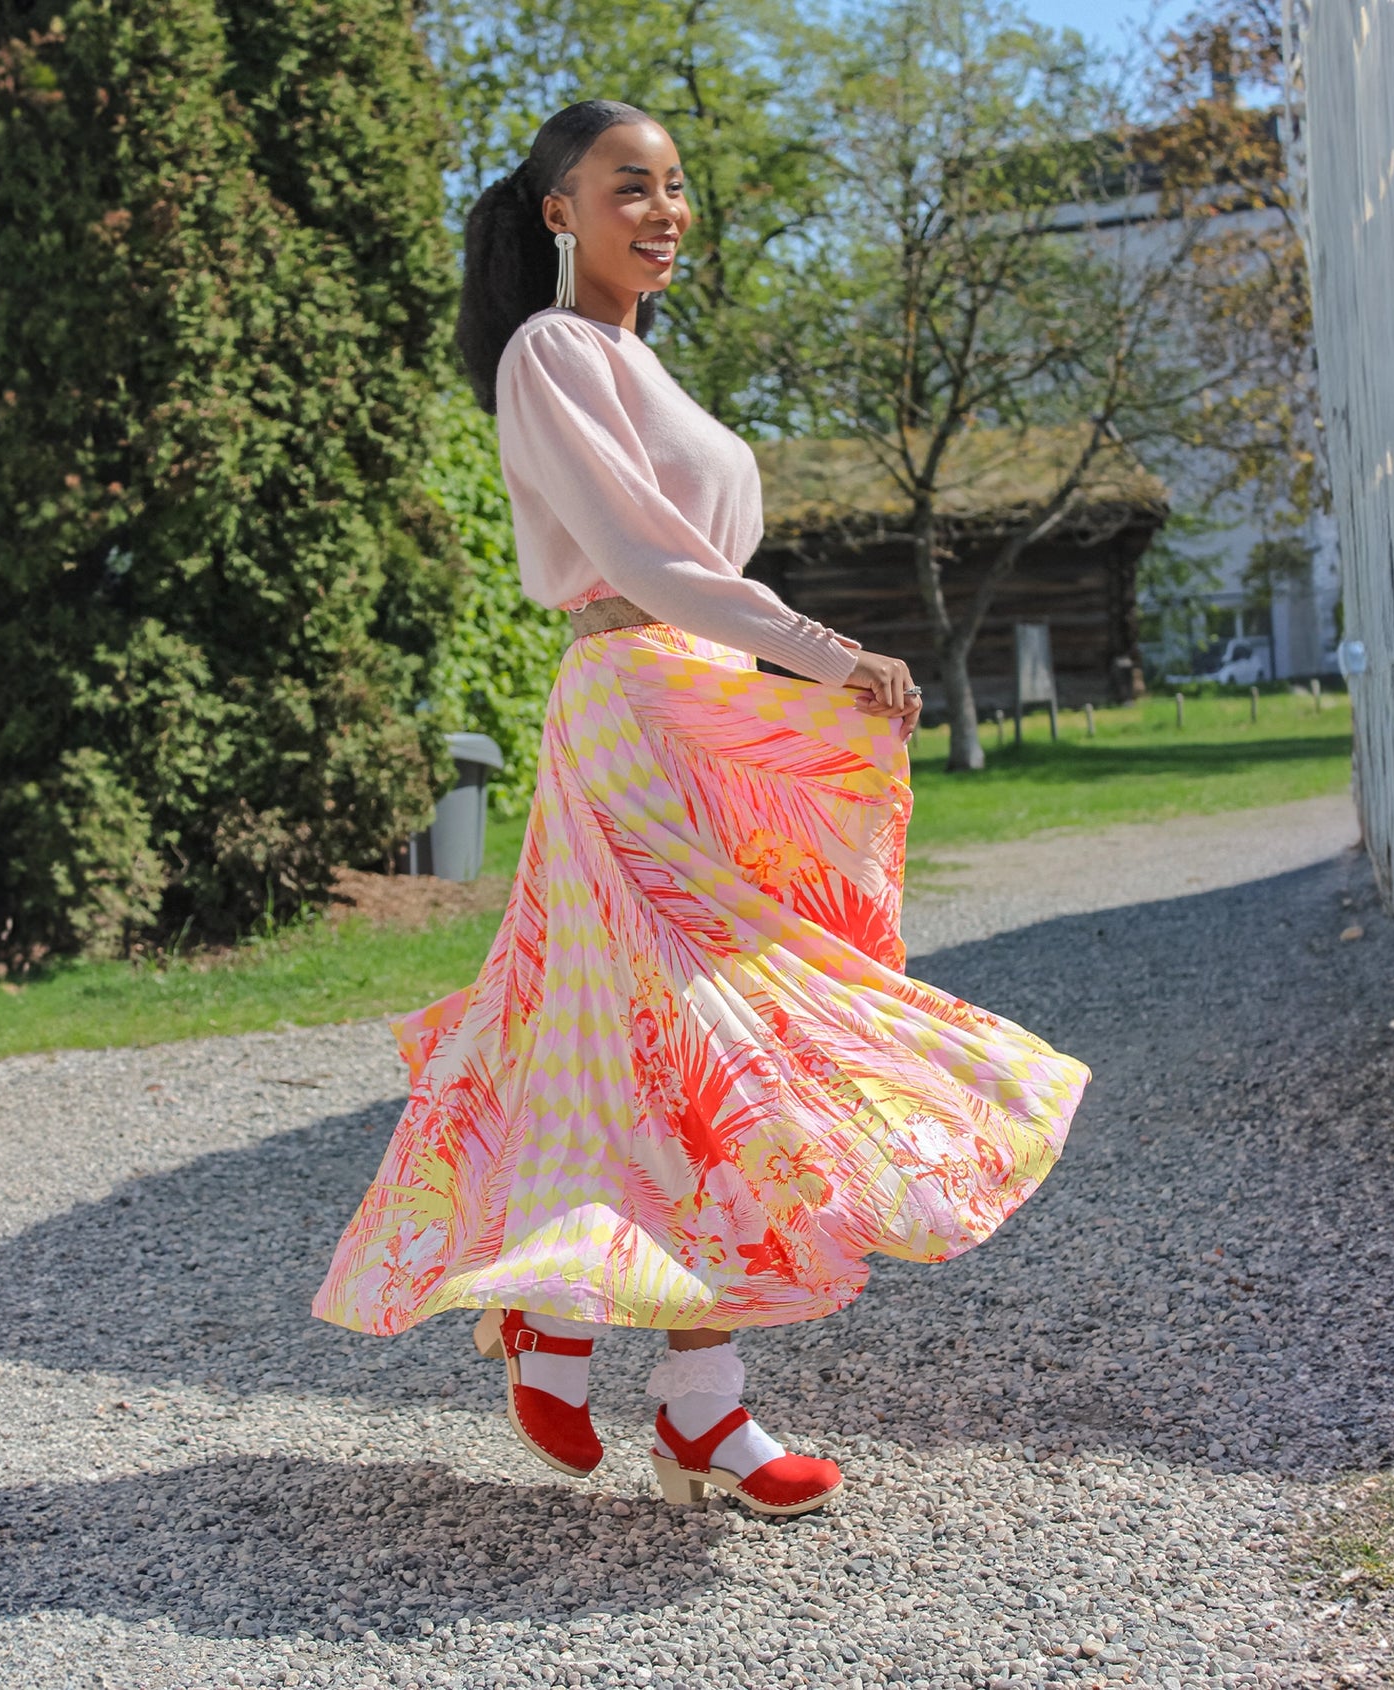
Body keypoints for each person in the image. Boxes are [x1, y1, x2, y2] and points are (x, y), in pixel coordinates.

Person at [312, 99, 1090, 1519]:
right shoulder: (553, 352)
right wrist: (826, 651)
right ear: (560, 212)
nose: (664, 209)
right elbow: (636, 556)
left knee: (697, 1055)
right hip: (635, 709)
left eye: (676, 187)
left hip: (711, 712)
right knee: (696, 1037)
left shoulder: (632, 359)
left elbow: (691, 566)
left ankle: (664, 1376)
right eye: (631, 186)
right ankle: (633, 1355)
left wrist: (791, 677)